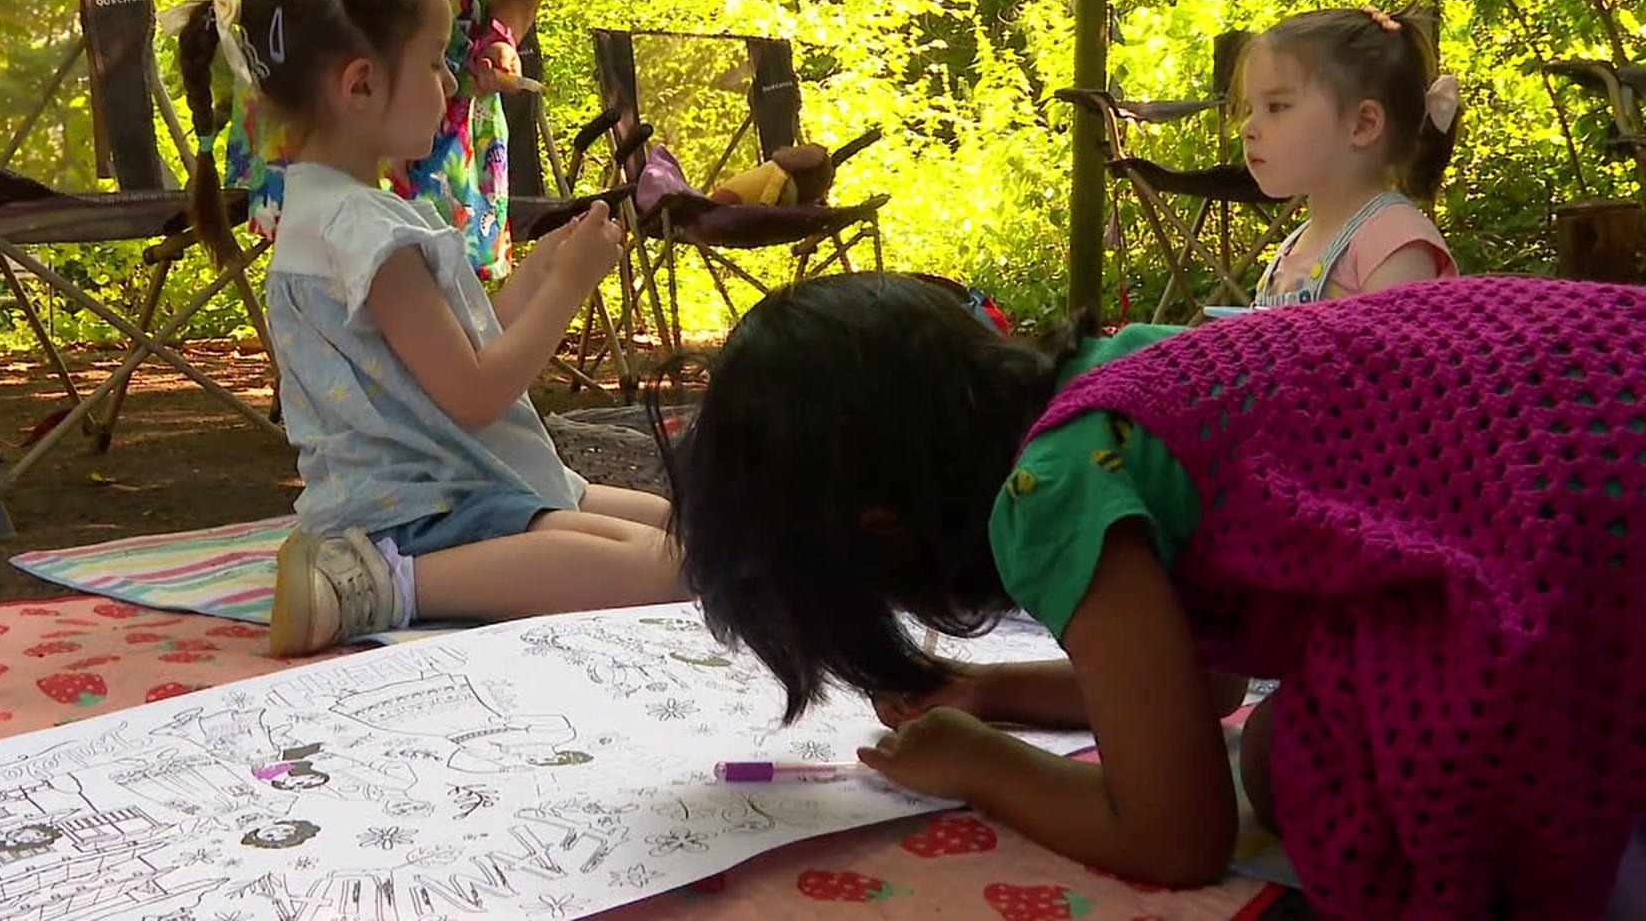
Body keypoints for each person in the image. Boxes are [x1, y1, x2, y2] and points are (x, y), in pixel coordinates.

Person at [666, 270, 1646, 917]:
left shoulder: (1051, 487)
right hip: (1604, 403)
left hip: (1585, 555)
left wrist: (983, 764)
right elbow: (1201, 685)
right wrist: (985, 689)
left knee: (1290, 767)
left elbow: (1177, 835)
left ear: (879, 533)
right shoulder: (1127, 374)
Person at [175, 0, 682, 656]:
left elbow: (453, 355)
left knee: (672, 525)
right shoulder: (362, 229)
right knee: (670, 568)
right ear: (360, 85)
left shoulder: (340, 211)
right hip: (423, 501)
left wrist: (537, 276)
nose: (451, 85)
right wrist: (571, 288)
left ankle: (390, 572)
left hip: (443, 473)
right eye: (435, 61)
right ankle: (374, 587)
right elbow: (475, 393)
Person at [223, 0, 599, 281]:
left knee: (425, 247)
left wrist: (499, 37)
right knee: (352, 239)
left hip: (434, 54)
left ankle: (418, 341)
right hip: (349, 51)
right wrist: (374, 113)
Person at [1238, 6, 1461, 305]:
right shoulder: (1299, 242)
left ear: (1362, 125)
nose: (1246, 128)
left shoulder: (1393, 240)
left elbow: (1398, 349)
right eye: (1250, 108)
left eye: (1277, 106)